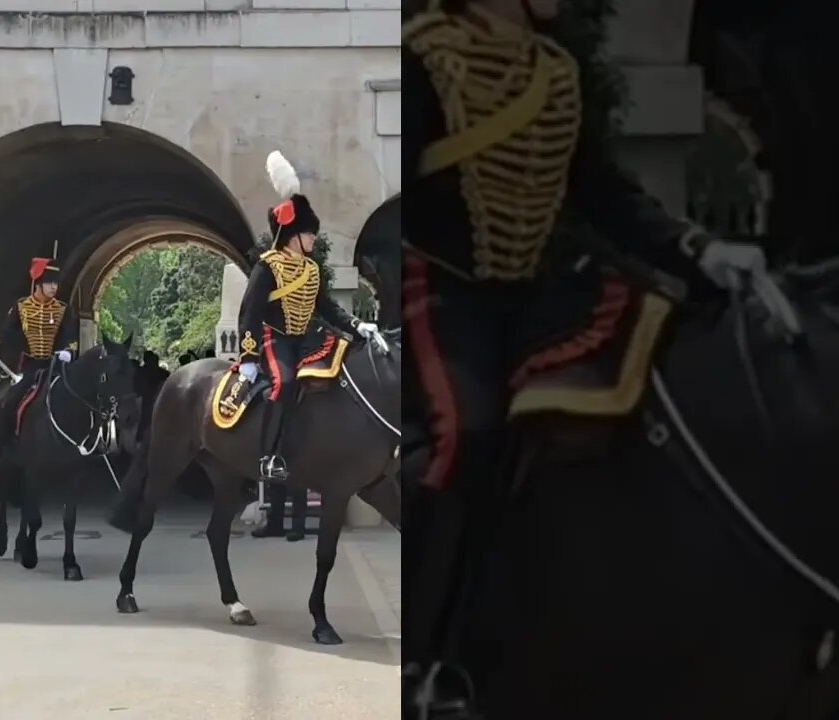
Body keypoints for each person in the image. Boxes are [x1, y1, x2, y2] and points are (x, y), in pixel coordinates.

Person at [403, 2, 790, 716]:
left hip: (543, 287)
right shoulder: (422, 62)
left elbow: (603, 195)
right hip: (444, 287)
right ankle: (423, 659)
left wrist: (701, 249)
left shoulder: (555, 69)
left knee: (659, 377)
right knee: (469, 433)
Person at [237, 151, 382, 481]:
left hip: (307, 338)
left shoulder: (312, 269)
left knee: (343, 374)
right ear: (293, 234)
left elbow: (326, 308)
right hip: (276, 339)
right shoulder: (267, 267)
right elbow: (250, 312)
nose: (314, 238)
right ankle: (268, 456)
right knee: (284, 383)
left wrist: (357, 324)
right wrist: (248, 355)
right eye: (310, 233)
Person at [0, 254, 79, 440]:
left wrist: (67, 351)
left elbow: (72, 337)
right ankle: (4, 443)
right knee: (9, 402)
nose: (53, 288)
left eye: (56, 284)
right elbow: (7, 334)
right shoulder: (20, 307)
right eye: (49, 283)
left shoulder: (63, 310)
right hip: (29, 367)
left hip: (55, 367)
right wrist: (22, 345)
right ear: (39, 284)